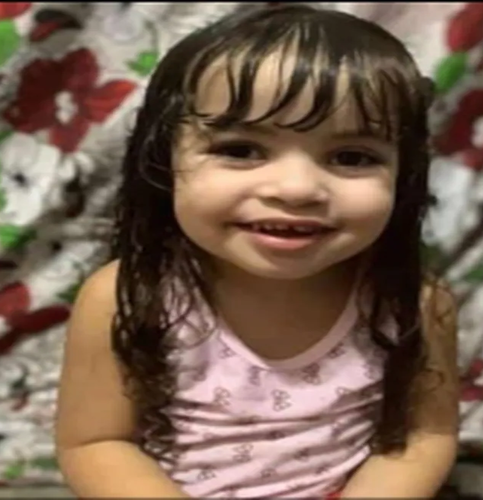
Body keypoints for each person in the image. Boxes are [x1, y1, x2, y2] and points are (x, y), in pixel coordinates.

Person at [54, 4, 459, 499]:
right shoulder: (126, 296)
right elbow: (96, 443)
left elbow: (425, 435)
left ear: (404, 176)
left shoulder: (413, 301)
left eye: (352, 157)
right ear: (163, 161)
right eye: (241, 150)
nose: (296, 189)